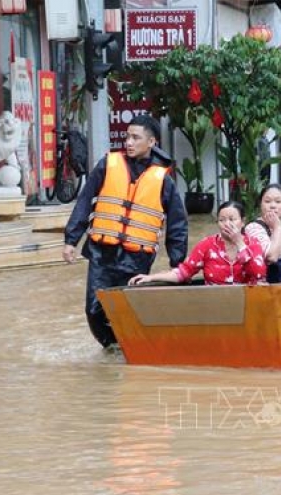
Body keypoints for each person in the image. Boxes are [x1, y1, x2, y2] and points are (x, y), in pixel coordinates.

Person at [62, 114, 187, 349]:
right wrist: (71, 240)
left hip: (136, 257)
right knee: (94, 310)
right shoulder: (107, 165)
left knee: (128, 311)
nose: (128, 142)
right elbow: (85, 200)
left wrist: (177, 262)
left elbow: (178, 223)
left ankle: (126, 352)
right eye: (127, 136)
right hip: (102, 253)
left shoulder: (163, 179)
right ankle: (111, 348)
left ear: (151, 143)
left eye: (135, 137)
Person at [128, 201, 266, 286]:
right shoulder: (207, 244)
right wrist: (150, 277)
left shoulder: (253, 243)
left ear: (242, 221)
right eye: (222, 220)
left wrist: (240, 243)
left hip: (247, 303)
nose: (227, 224)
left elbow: (258, 274)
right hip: (214, 303)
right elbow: (184, 272)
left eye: (232, 219)